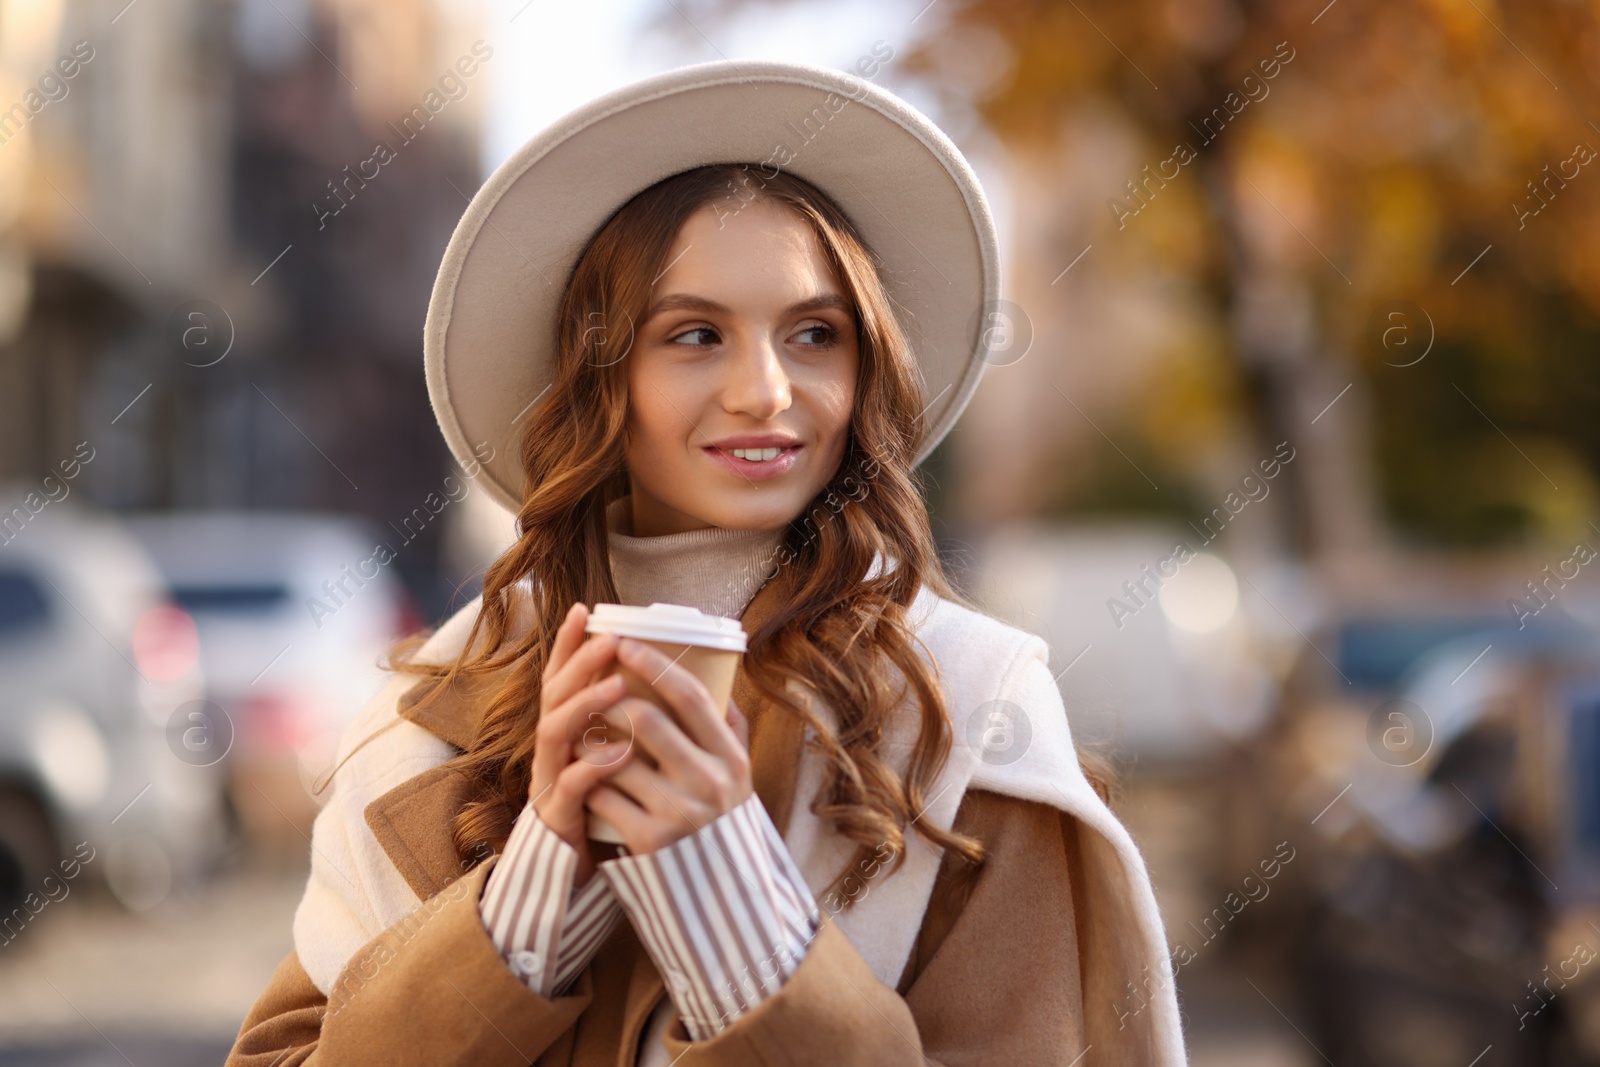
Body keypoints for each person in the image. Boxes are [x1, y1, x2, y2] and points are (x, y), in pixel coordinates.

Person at [225, 60, 1187, 1066]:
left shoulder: (971, 712)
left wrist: (734, 910)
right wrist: (533, 892)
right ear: (601, 375)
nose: (765, 390)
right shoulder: (428, 712)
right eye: (694, 334)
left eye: (815, 333)